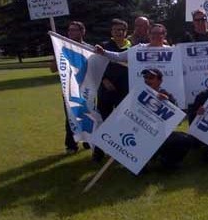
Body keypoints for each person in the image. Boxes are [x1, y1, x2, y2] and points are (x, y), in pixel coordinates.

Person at [141, 68, 194, 169]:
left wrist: (168, 102)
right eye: (145, 77)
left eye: (151, 77)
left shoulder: (168, 96)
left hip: (162, 135)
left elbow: (178, 121)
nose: (147, 80)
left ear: (160, 81)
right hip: (142, 135)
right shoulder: (137, 93)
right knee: (140, 171)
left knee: (185, 139)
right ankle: (148, 160)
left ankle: (168, 161)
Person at [94, 18, 131, 162]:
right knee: (104, 122)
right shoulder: (103, 46)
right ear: (112, 32)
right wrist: (104, 80)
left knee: (123, 121)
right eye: (116, 30)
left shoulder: (132, 47)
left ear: (126, 32)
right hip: (106, 90)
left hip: (125, 90)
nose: (119, 32)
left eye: (122, 30)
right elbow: (95, 66)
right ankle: (99, 153)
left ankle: (120, 153)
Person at [57, 21, 90, 154]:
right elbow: (53, 68)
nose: (71, 33)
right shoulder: (63, 49)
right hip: (70, 89)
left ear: (82, 32)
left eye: (75, 30)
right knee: (71, 117)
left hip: (87, 89)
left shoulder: (89, 49)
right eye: (70, 30)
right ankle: (71, 145)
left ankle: (88, 140)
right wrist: (57, 55)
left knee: (88, 114)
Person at [95, 23, 170, 62]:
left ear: (164, 35)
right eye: (153, 33)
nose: (156, 36)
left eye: (159, 33)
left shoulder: (171, 51)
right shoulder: (140, 48)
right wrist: (103, 52)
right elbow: (119, 56)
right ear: (149, 35)